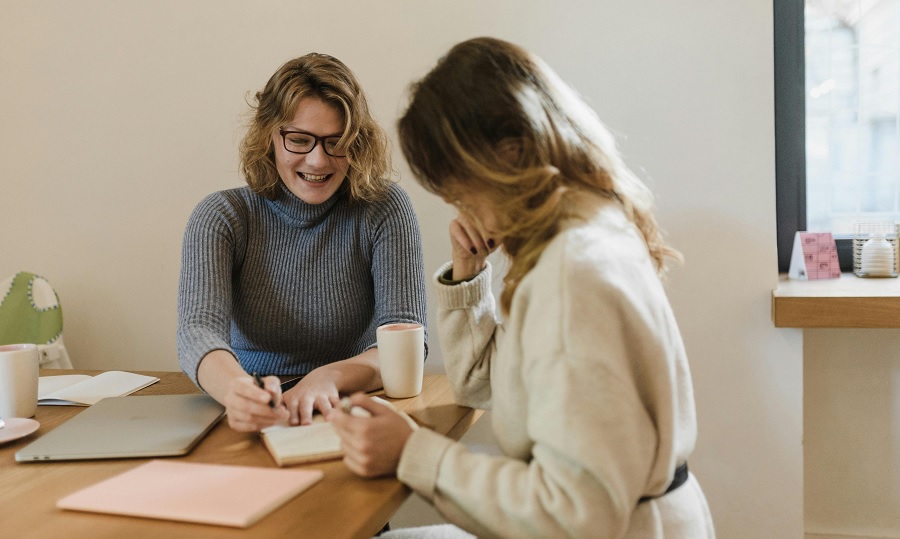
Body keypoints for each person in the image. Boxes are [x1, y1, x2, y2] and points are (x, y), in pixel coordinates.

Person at [329, 37, 715, 538]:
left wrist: (413, 453)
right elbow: (489, 383)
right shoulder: (592, 224)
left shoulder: (571, 275)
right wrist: (468, 275)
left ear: (508, 157)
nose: (462, 212)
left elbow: (576, 514)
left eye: (460, 190)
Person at [177, 53, 427, 431]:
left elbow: (407, 342)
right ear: (269, 136)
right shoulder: (222, 216)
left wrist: (328, 378)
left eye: (335, 142)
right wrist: (237, 391)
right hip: (256, 408)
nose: (317, 160)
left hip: (351, 408)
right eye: (298, 140)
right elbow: (197, 332)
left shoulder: (384, 209)